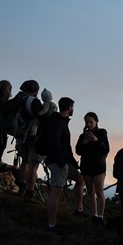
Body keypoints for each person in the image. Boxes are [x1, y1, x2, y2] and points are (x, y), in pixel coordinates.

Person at [44, 97, 76, 231]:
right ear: (69, 108)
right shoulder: (58, 122)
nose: (73, 109)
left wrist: (72, 161)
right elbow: (55, 143)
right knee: (55, 193)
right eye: (73, 107)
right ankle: (52, 224)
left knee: (56, 192)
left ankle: (53, 223)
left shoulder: (57, 121)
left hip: (56, 161)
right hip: (57, 162)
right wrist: (62, 162)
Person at [75, 112, 110, 224]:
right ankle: (94, 215)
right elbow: (78, 151)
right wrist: (84, 142)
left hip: (98, 167)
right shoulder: (82, 136)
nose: (89, 124)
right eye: (87, 122)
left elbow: (106, 149)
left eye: (91, 122)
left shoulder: (102, 133)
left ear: (96, 122)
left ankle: (100, 216)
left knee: (99, 191)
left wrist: (96, 141)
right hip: (86, 167)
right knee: (90, 192)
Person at [11, 80, 43, 198]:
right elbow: (42, 117)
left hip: (19, 135)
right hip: (31, 137)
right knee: (33, 164)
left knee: (24, 161)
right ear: (35, 91)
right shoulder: (33, 102)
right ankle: (30, 192)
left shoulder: (17, 99)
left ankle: (21, 187)